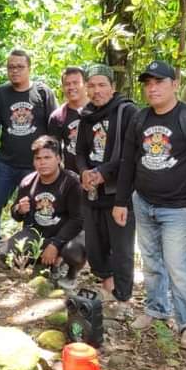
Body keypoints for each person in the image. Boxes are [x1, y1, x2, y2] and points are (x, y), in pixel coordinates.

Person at [113, 60, 186, 351]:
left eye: (159, 82)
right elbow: (128, 161)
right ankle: (156, 310)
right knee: (151, 261)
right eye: (148, 83)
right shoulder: (140, 118)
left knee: (177, 265)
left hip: (179, 208)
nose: (152, 88)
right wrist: (121, 200)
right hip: (144, 202)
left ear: (174, 84)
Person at [0, 48, 57, 253]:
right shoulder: (1, 92)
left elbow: (54, 126)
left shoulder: (42, 93)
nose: (15, 71)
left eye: (19, 67)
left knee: (33, 205)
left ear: (29, 68)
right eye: (11, 67)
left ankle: (29, 244)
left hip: (36, 164)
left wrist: (54, 159)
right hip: (6, 161)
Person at [74, 64, 138, 307]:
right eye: (91, 85)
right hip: (91, 190)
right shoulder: (86, 115)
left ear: (113, 87)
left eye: (102, 85)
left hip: (118, 191)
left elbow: (130, 154)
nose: (96, 90)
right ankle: (108, 285)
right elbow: (79, 151)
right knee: (95, 245)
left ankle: (123, 297)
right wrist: (84, 172)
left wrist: (103, 172)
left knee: (121, 248)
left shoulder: (127, 111)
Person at [2, 135, 84, 282]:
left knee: (74, 253)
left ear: (58, 159)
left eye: (47, 157)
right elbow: (16, 215)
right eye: (38, 158)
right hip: (38, 236)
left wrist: (56, 244)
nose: (42, 162)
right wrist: (19, 210)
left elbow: (78, 220)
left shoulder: (71, 182)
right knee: (5, 254)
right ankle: (43, 263)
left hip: (65, 236)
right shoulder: (27, 182)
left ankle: (66, 268)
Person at [48, 67, 88, 173]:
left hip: (101, 174)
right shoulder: (58, 117)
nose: (71, 87)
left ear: (85, 84)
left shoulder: (100, 111)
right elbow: (54, 151)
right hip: (72, 176)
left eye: (76, 83)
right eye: (67, 84)